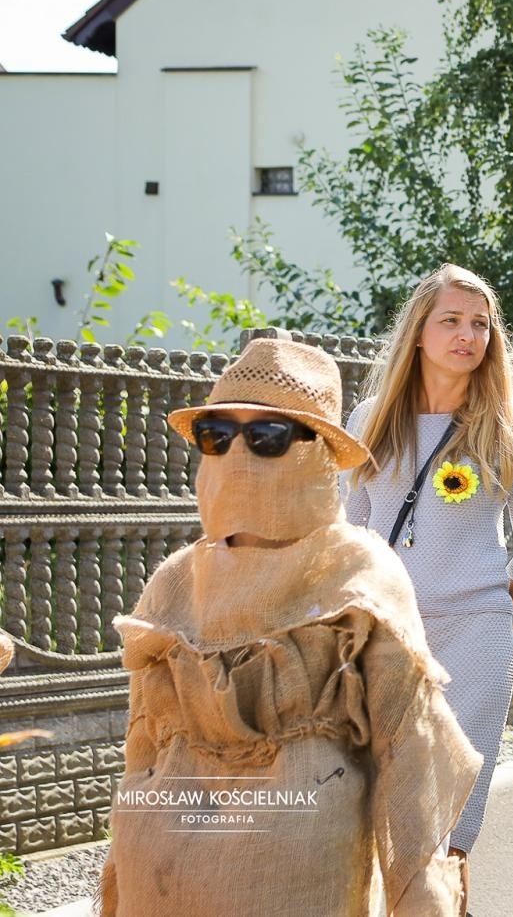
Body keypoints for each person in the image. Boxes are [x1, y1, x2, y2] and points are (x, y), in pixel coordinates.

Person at [100, 338, 481, 915]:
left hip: (293, 885)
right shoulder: (177, 580)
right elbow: (141, 747)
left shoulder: (356, 574)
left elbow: (410, 758)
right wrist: (116, 883)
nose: (237, 456)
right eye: (217, 436)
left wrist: (421, 901)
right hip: (161, 874)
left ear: (318, 452)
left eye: (268, 437)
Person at [343, 264, 513, 909]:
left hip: (476, 643)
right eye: (452, 320)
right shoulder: (370, 418)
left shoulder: (512, 423)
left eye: (480, 324)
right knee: (377, 803)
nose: (468, 336)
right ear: (418, 331)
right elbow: (346, 533)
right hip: (382, 640)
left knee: (450, 822)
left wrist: (486, 605)